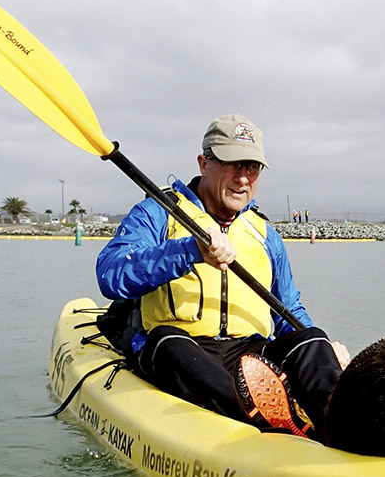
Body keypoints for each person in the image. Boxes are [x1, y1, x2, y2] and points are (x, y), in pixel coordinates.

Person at [96, 113, 347, 438]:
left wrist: (324, 353)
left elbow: (288, 310)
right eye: (233, 164)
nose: (243, 178)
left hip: (252, 359)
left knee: (311, 339)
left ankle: (341, 428)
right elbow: (111, 274)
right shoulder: (159, 212)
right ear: (204, 163)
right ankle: (269, 427)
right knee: (168, 341)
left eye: (252, 167)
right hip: (183, 350)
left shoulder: (264, 233)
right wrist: (190, 251)